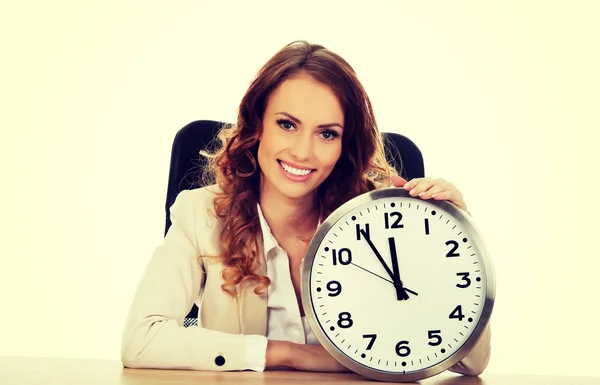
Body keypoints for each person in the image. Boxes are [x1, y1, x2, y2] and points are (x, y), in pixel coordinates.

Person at [120, 40, 491, 375]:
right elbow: (141, 340)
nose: (303, 152)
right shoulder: (200, 214)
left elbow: (471, 364)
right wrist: (287, 354)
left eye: (326, 133)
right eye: (287, 124)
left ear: (345, 144)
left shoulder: (384, 222)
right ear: (257, 125)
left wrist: (459, 237)